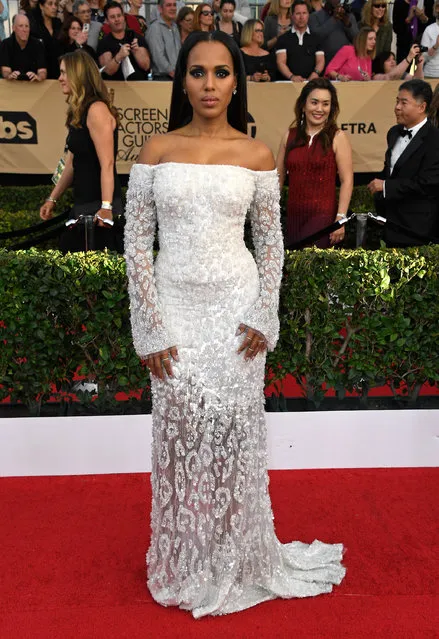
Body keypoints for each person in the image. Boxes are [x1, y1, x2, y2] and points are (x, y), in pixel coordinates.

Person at [124, 30, 345, 618]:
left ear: (236, 81)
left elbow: (272, 247)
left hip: (236, 316)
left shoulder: (256, 155)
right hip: (173, 313)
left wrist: (263, 313)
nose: (210, 85)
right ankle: (184, 557)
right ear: (182, 81)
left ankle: (236, 554)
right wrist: (149, 325)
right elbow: (136, 247)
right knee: (177, 443)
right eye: (198, 73)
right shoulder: (155, 151)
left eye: (222, 73)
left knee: (236, 439)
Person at [40, 49, 122, 252]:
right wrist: (52, 198)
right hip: (83, 206)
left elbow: (107, 163)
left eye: (64, 73)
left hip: (98, 210)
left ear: (78, 75)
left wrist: (106, 207)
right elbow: (71, 164)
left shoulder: (96, 110)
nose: (59, 79)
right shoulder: (78, 111)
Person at [276, 78, 353, 248]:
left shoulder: (338, 137)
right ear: (303, 105)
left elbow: (347, 181)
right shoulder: (289, 136)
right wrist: (269, 211)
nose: (320, 109)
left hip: (323, 219)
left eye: (325, 104)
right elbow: (278, 178)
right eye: (314, 102)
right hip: (294, 217)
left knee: (311, 267)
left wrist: (340, 219)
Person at [368, 79, 439, 247]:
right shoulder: (393, 133)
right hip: (390, 225)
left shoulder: (434, 138)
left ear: (422, 107)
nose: (397, 107)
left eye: (404, 102)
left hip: (418, 230)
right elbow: (391, 171)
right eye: (397, 101)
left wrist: (386, 187)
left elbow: (428, 184)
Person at [98, 1, 150, 81]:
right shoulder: (104, 43)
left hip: (140, 87)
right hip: (116, 88)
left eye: (119, 15)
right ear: (107, 21)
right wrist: (119, 57)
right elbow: (107, 71)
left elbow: (146, 66)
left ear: (124, 17)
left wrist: (136, 51)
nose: (117, 19)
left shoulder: (137, 38)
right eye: (112, 17)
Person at [276, 0, 325, 82]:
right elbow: (280, 62)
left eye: (304, 13)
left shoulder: (317, 38)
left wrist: (315, 74)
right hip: (289, 85)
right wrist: (292, 77)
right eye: (298, 13)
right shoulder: (283, 38)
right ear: (292, 16)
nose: (301, 17)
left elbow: (320, 60)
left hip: (312, 84)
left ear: (308, 15)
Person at [308, 0, 358, 65]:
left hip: (346, 63)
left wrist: (348, 24)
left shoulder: (349, 15)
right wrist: (334, 19)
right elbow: (316, 37)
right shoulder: (314, 16)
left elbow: (357, 40)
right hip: (325, 63)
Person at [0, 13, 47, 81]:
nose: (24, 29)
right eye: (21, 26)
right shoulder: (6, 44)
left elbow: (42, 71)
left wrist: (38, 77)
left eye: (27, 26)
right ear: (14, 28)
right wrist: (10, 75)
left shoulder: (38, 44)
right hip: (12, 86)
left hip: (33, 85)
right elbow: (5, 70)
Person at [146, 0, 181, 80]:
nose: (173, 8)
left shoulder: (175, 27)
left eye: (174, 5)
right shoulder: (155, 28)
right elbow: (158, 56)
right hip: (163, 78)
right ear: (160, 8)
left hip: (176, 76)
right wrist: (172, 73)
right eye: (169, 5)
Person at [29, 0, 62, 79]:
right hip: (40, 74)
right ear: (41, 6)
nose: (54, 7)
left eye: (56, 4)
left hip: (59, 73)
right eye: (50, 4)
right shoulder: (34, 26)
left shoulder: (58, 24)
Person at [421, 0, 439, 77]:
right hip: (432, 75)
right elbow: (422, 56)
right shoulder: (429, 29)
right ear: (437, 9)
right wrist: (436, 45)